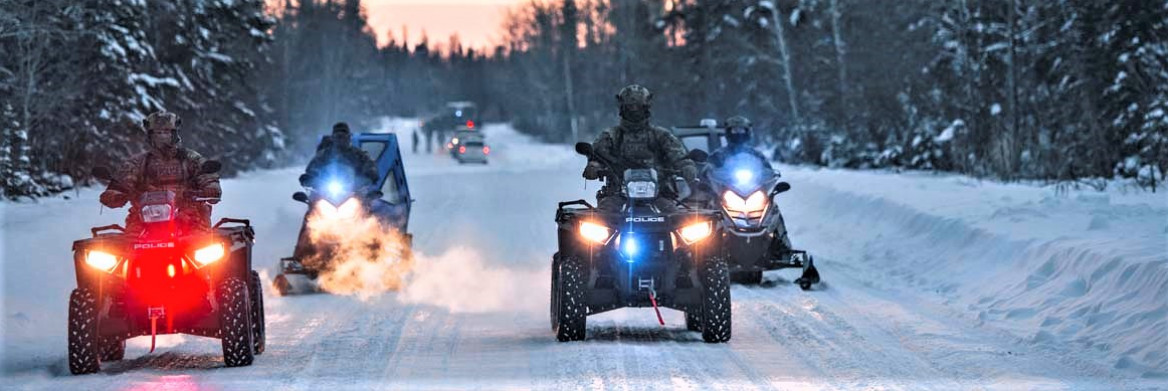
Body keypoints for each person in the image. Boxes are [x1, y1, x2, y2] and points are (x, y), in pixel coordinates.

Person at [99, 111, 221, 233]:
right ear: (150, 135)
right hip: (144, 218)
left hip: (188, 214)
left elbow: (206, 175)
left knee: (203, 244)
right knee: (123, 247)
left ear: (174, 134)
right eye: (158, 133)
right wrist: (114, 194)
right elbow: (122, 182)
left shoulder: (190, 158)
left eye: (167, 132)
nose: (162, 136)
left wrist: (211, 187)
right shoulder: (137, 162)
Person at [582, 84, 697, 212]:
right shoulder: (610, 136)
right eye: (630, 107)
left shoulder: (661, 135)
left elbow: (678, 155)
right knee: (599, 222)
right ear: (622, 108)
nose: (634, 111)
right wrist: (593, 167)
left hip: (659, 194)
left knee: (679, 222)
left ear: (646, 108)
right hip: (618, 195)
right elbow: (597, 157)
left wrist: (687, 167)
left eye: (638, 107)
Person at [303, 122, 379, 189]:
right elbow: (312, 168)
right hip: (326, 192)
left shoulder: (359, 154)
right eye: (338, 136)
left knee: (366, 203)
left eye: (343, 136)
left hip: (353, 191)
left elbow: (369, 165)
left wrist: (370, 172)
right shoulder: (323, 154)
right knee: (314, 202)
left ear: (349, 137)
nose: (341, 139)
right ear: (333, 138)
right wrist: (310, 177)